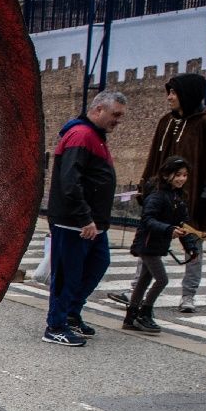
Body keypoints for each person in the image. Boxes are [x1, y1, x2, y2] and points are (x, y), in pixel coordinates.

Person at [137, 74, 206, 312]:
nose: (169, 97)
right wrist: (146, 187)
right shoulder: (166, 122)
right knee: (149, 241)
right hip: (162, 196)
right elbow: (154, 159)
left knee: (193, 244)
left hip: (193, 197)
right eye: (168, 92)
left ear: (188, 94)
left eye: (174, 92)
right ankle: (136, 289)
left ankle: (188, 295)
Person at [43, 90, 128, 347]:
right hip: (75, 222)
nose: (118, 120)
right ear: (98, 109)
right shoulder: (81, 135)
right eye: (115, 114)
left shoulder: (95, 137)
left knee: (96, 265)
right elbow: (70, 181)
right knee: (68, 274)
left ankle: (70, 313)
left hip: (91, 223)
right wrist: (84, 218)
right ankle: (55, 325)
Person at [121, 157, 188, 335]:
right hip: (148, 243)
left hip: (158, 244)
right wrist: (168, 229)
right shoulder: (157, 196)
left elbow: (182, 223)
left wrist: (191, 246)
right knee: (162, 279)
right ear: (167, 175)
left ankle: (131, 315)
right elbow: (148, 220)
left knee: (144, 280)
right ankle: (145, 311)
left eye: (185, 175)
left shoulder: (177, 196)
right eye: (178, 175)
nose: (182, 179)